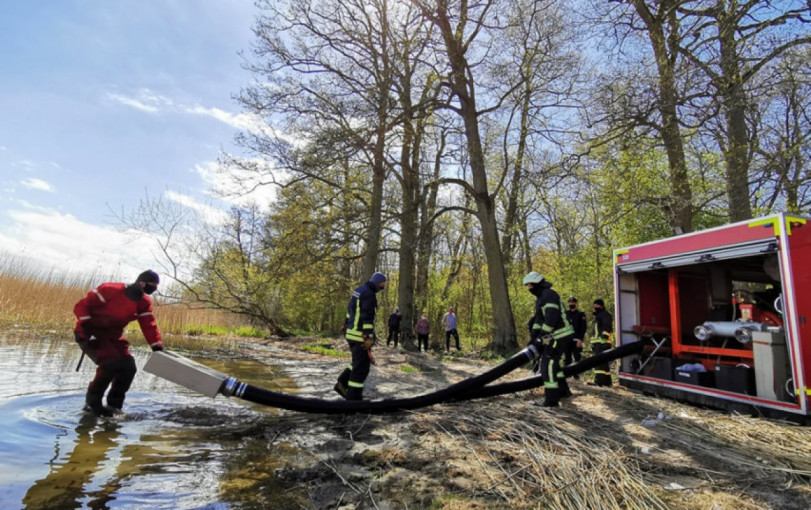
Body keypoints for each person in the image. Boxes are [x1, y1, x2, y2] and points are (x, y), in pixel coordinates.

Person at [73, 270, 164, 416]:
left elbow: (148, 325)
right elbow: (81, 306)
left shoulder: (143, 303)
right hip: (90, 333)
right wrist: (86, 325)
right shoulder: (110, 289)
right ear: (142, 282)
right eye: (152, 285)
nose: (153, 289)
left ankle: (114, 407)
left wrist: (157, 347)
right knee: (110, 364)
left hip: (113, 337)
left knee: (129, 368)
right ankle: (91, 405)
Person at [523, 271, 575, 407]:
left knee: (548, 365)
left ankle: (551, 400)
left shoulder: (548, 295)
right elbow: (539, 319)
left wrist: (540, 338)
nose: (529, 289)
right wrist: (534, 336)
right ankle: (564, 391)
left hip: (560, 334)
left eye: (529, 286)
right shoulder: (541, 297)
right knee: (554, 365)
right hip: (557, 335)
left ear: (535, 284)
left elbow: (552, 317)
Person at [334, 272, 387, 400]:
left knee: (358, 362)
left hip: (350, 333)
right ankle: (353, 397)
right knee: (362, 367)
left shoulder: (359, 290)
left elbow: (350, 310)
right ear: (377, 282)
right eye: (382, 285)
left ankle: (342, 383)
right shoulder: (370, 296)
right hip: (359, 336)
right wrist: (368, 337)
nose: (382, 288)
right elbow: (367, 318)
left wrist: (346, 325)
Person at [590, 298, 614, 387]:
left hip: (603, 342)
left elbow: (607, 327)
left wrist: (604, 338)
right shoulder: (596, 317)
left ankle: (598, 382)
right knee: (604, 363)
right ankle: (607, 383)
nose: (595, 306)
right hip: (597, 343)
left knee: (599, 363)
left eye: (597, 305)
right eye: (595, 305)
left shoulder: (605, 315)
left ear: (602, 306)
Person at [564, 297, 587, 378]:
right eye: (570, 303)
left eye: (573, 303)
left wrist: (581, 339)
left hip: (576, 339)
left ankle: (576, 374)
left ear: (576, 304)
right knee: (567, 358)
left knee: (577, 357)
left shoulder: (581, 314)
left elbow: (583, 328)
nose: (571, 304)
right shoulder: (566, 314)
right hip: (567, 339)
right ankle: (567, 374)